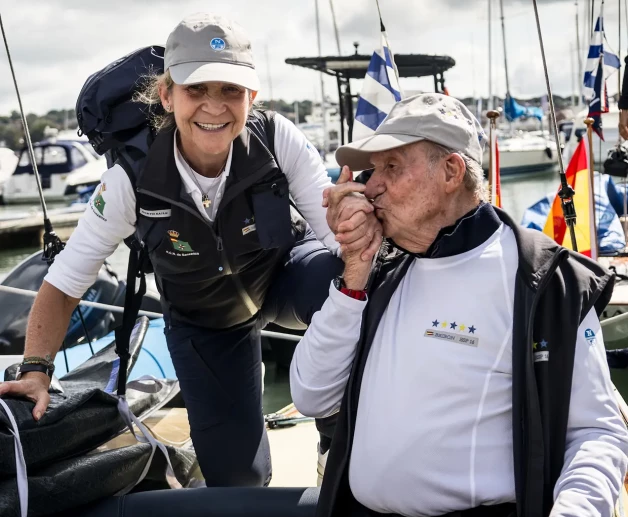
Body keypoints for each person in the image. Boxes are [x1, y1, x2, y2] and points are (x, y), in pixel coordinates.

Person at [0, 13, 380, 488]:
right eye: (196, 90)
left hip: (282, 277)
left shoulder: (277, 138)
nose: (214, 107)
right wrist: (36, 369)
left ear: (251, 98)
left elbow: (336, 240)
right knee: (239, 480)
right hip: (205, 322)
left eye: (230, 91)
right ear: (167, 95)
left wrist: (355, 224)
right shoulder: (128, 181)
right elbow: (64, 283)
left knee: (341, 283)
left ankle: (334, 442)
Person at [291, 93, 628, 517]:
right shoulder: (378, 269)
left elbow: (596, 433)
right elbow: (311, 396)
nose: (371, 187)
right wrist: (354, 274)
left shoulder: (542, 279)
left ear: (451, 171)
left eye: (391, 168)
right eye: (372, 171)